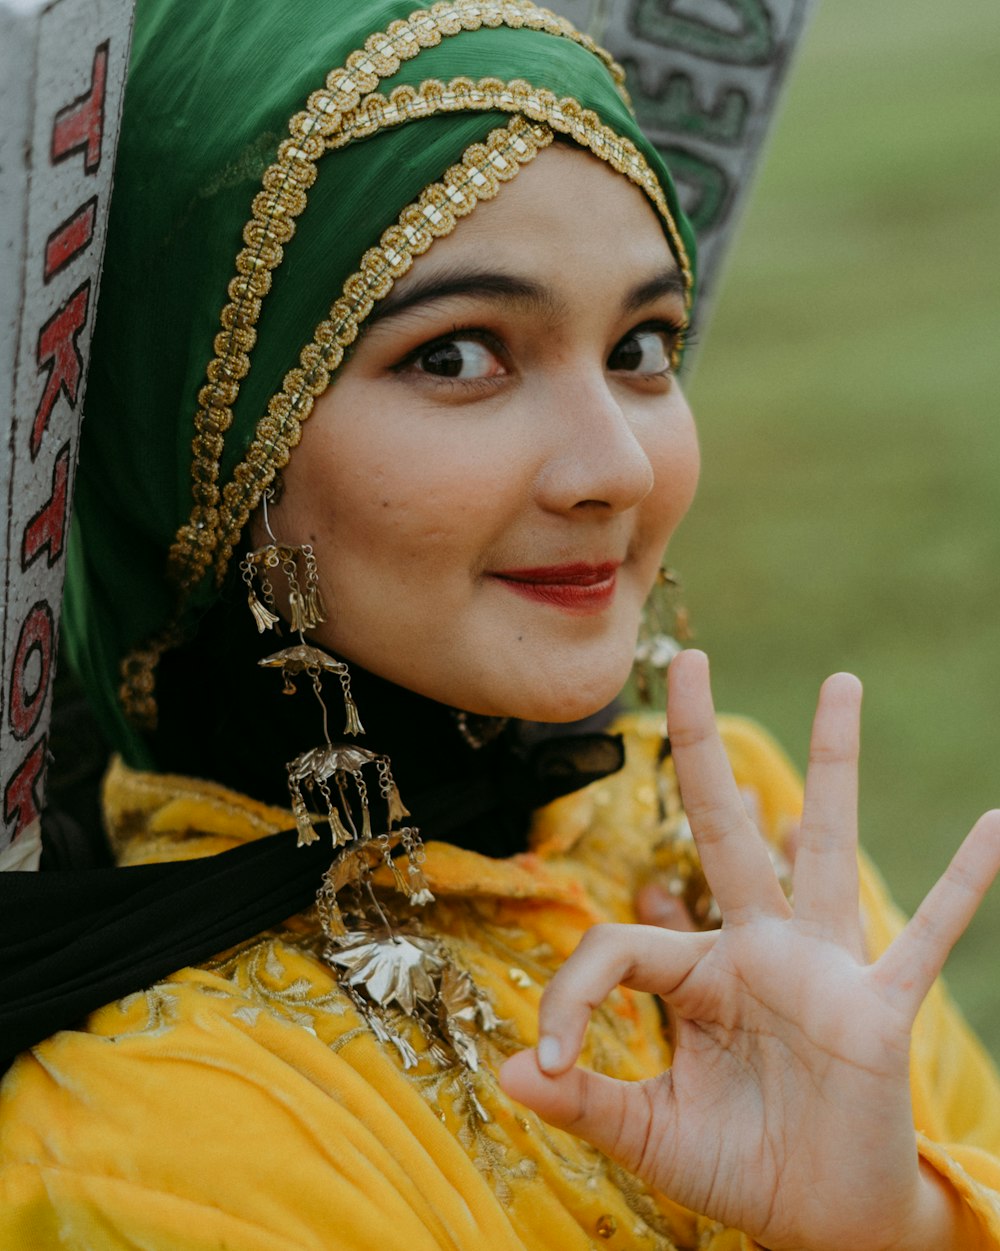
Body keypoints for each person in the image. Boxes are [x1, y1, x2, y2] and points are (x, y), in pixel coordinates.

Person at [1, 1, 999, 1248]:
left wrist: (899, 1223)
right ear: (213, 450)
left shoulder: (728, 826)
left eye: (642, 346)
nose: (616, 467)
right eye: (460, 357)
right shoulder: (156, 1140)